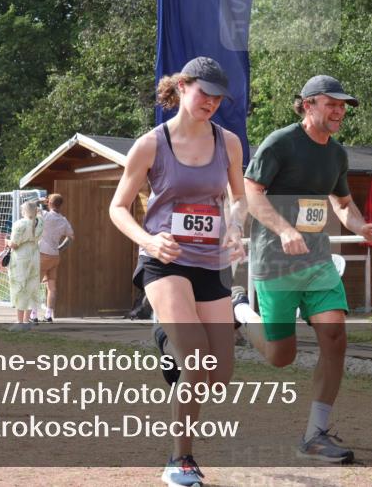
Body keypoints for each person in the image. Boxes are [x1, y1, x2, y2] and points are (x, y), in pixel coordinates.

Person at [109, 56, 246, 487]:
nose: (211, 103)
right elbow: (117, 207)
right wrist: (149, 241)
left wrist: (235, 227)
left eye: (218, 98)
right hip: (164, 261)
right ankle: (180, 459)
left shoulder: (229, 143)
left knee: (218, 376)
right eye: (205, 93)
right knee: (196, 359)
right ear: (183, 86)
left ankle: (169, 339)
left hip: (211, 263)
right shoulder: (151, 145)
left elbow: (238, 197)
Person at [232, 75, 372, 464]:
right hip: (276, 261)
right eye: (332, 104)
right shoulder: (280, 143)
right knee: (281, 356)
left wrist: (361, 226)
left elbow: (342, 203)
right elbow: (252, 192)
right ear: (309, 104)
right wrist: (284, 229)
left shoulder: (337, 155)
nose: (339, 112)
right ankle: (241, 311)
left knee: (335, 336)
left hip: (317, 261)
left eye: (343, 106)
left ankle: (315, 434)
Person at [34, 194, 73, 323]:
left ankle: (33, 315)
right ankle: (48, 315)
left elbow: (28, 206)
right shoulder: (63, 220)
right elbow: (71, 237)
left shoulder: (45, 215)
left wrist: (40, 201)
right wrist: (60, 248)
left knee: (34, 285)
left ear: (49, 203)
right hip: (54, 256)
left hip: (42, 254)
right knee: (52, 287)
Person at [8, 201, 43, 327]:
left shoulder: (20, 224)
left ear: (24, 211)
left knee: (20, 286)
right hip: (34, 255)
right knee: (31, 287)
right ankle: (27, 320)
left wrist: (7, 242)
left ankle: (20, 320)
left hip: (21, 257)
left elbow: (14, 244)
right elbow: (40, 215)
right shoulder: (40, 222)